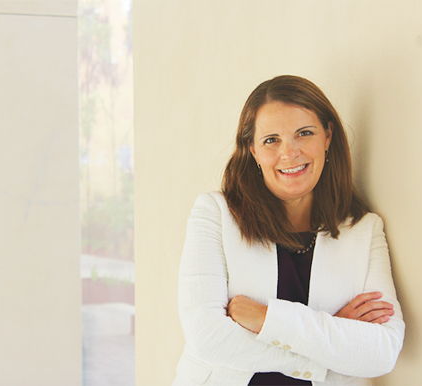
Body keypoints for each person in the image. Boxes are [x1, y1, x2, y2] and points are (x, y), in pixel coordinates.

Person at [172, 75, 405, 386]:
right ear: (252, 149)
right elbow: (207, 335)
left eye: (304, 133)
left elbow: (382, 351)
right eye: (271, 140)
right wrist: (330, 338)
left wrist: (266, 318)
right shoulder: (215, 214)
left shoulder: (364, 230)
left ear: (327, 136)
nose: (289, 153)